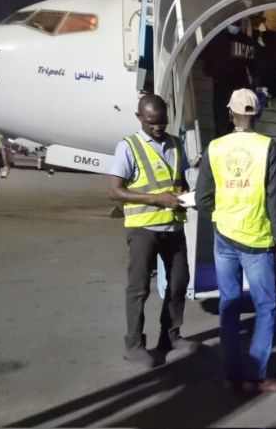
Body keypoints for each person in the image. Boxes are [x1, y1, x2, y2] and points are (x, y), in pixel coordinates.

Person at [195, 88, 276, 393]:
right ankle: (256, 376)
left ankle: (231, 375)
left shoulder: (215, 148)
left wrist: (222, 215)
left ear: (230, 113)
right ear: (258, 113)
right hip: (257, 240)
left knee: (230, 304)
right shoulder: (268, 147)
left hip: (224, 236)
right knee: (266, 307)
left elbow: (202, 198)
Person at [107, 94, 198, 369]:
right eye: (151, 122)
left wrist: (184, 194)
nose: (158, 127)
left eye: (162, 122)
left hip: (173, 225)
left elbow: (178, 180)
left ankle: (170, 336)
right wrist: (157, 199)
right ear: (139, 118)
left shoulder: (176, 144)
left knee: (179, 282)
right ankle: (134, 345)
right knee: (139, 288)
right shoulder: (128, 146)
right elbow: (114, 191)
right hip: (143, 229)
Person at [202, 18, 256, 137]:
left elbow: (207, 67)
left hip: (223, 89)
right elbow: (253, 67)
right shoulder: (247, 41)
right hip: (241, 91)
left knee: (222, 124)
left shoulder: (216, 39)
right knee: (240, 127)